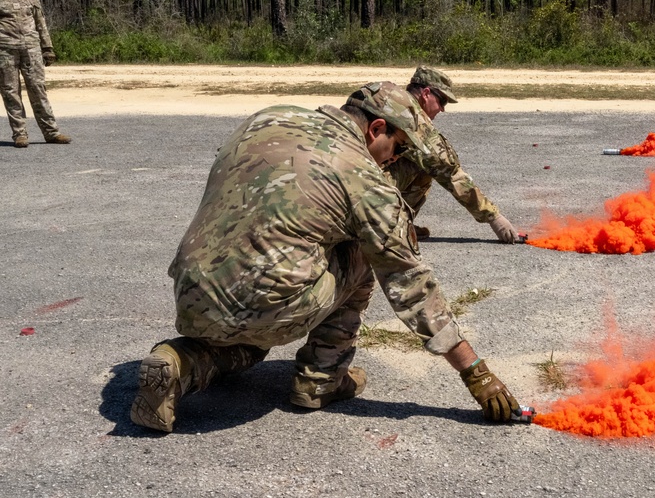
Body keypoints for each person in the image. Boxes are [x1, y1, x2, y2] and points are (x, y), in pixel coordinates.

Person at [130, 81, 522, 433]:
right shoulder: (364, 176)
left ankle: (179, 363)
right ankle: (321, 379)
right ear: (377, 129)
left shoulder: (268, 118)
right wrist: (476, 373)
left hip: (191, 291)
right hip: (269, 305)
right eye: (398, 148)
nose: (392, 160)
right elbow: (410, 284)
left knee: (248, 345)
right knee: (365, 250)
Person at [388, 65, 520, 243]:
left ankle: (394, 223)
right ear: (426, 94)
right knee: (428, 166)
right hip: (359, 193)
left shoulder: (388, 99)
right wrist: (494, 218)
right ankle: (388, 227)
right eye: (442, 101)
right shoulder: (413, 119)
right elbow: (449, 172)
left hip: (347, 183)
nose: (442, 109)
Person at [0, 0, 70, 148]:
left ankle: (51, 132)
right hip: (5, 51)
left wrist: (48, 48)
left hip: (32, 49)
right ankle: (20, 134)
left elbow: (40, 21)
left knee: (38, 89)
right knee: (10, 92)